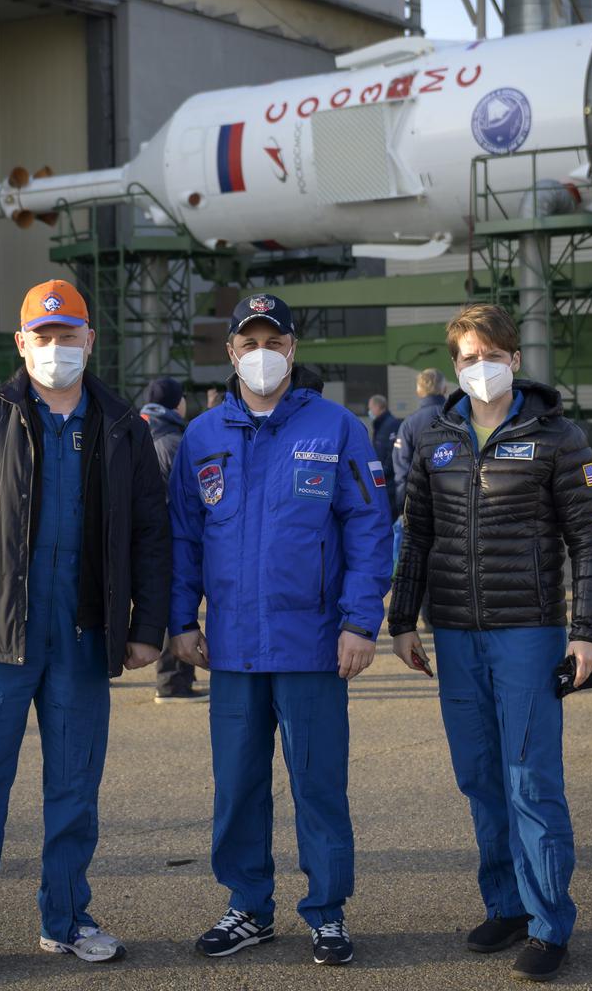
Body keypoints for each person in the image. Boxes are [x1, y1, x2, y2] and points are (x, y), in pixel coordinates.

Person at [0, 278, 170, 982]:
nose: (58, 348)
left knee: (74, 792)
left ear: (91, 340)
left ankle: (67, 919)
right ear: (22, 343)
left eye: (70, 335)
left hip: (83, 638)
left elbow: (152, 532)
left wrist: (146, 626)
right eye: (44, 336)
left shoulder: (121, 425)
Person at [168, 294, 393, 967]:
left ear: (292, 348)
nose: (261, 352)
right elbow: (183, 536)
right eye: (248, 341)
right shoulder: (203, 437)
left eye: (274, 339)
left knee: (318, 781)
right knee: (237, 784)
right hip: (232, 649)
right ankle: (247, 907)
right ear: (231, 352)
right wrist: (181, 619)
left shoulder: (337, 428)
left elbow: (369, 527)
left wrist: (361, 621)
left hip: (314, 646)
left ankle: (327, 911)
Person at [389, 304, 592, 984]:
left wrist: (587, 634)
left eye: (489, 353)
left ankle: (549, 925)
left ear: (513, 358)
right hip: (454, 633)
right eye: (465, 357)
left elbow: (591, 539)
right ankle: (506, 904)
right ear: (453, 366)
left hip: (528, 633)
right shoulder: (433, 435)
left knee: (529, 779)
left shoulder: (557, 436)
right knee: (480, 777)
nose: (477, 367)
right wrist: (403, 620)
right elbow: (416, 533)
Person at [140, 377, 205, 705]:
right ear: (175, 404)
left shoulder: (138, 433)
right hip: (168, 537)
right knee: (174, 607)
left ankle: (173, 680)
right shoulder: (174, 441)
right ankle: (173, 682)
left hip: (145, 539)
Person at [392, 368, 447, 510]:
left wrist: (401, 506)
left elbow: (402, 469)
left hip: (420, 503)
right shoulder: (460, 418)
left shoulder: (409, 424)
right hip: (456, 502)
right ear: (445, 389)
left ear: (418, 391)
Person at [366, 394, 400, 519]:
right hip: (382, 481)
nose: (369, 412)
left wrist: (382, 472)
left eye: (370, 408)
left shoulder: (391, 425)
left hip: (389, 482)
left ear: (378, 407)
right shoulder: (380, 426)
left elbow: (393, 454)